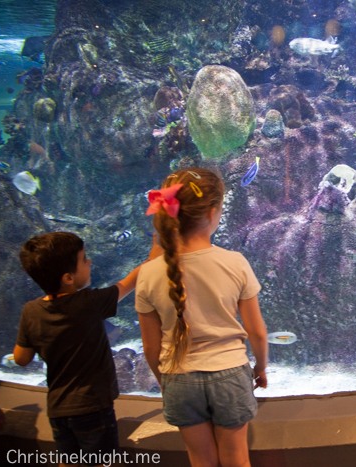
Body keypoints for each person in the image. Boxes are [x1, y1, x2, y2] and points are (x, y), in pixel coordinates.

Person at [136, 167, 268, 467]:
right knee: (236, 457)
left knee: (200, 459)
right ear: (212, 213)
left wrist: (164, 381)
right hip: (231, 374)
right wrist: (260, 368)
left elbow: (151, 348)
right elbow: (257, 331)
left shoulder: (147, 273)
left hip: (178, 378)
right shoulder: (235, 263)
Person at [14, 231, 161, 466]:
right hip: (94, 407)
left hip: (58, 408)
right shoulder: (89, 303)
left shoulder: (30, 311)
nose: (90, 262)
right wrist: (152, 257)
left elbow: (21, 358)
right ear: (68, 278)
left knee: (68, 460)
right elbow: (128, 283)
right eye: (84, 259)